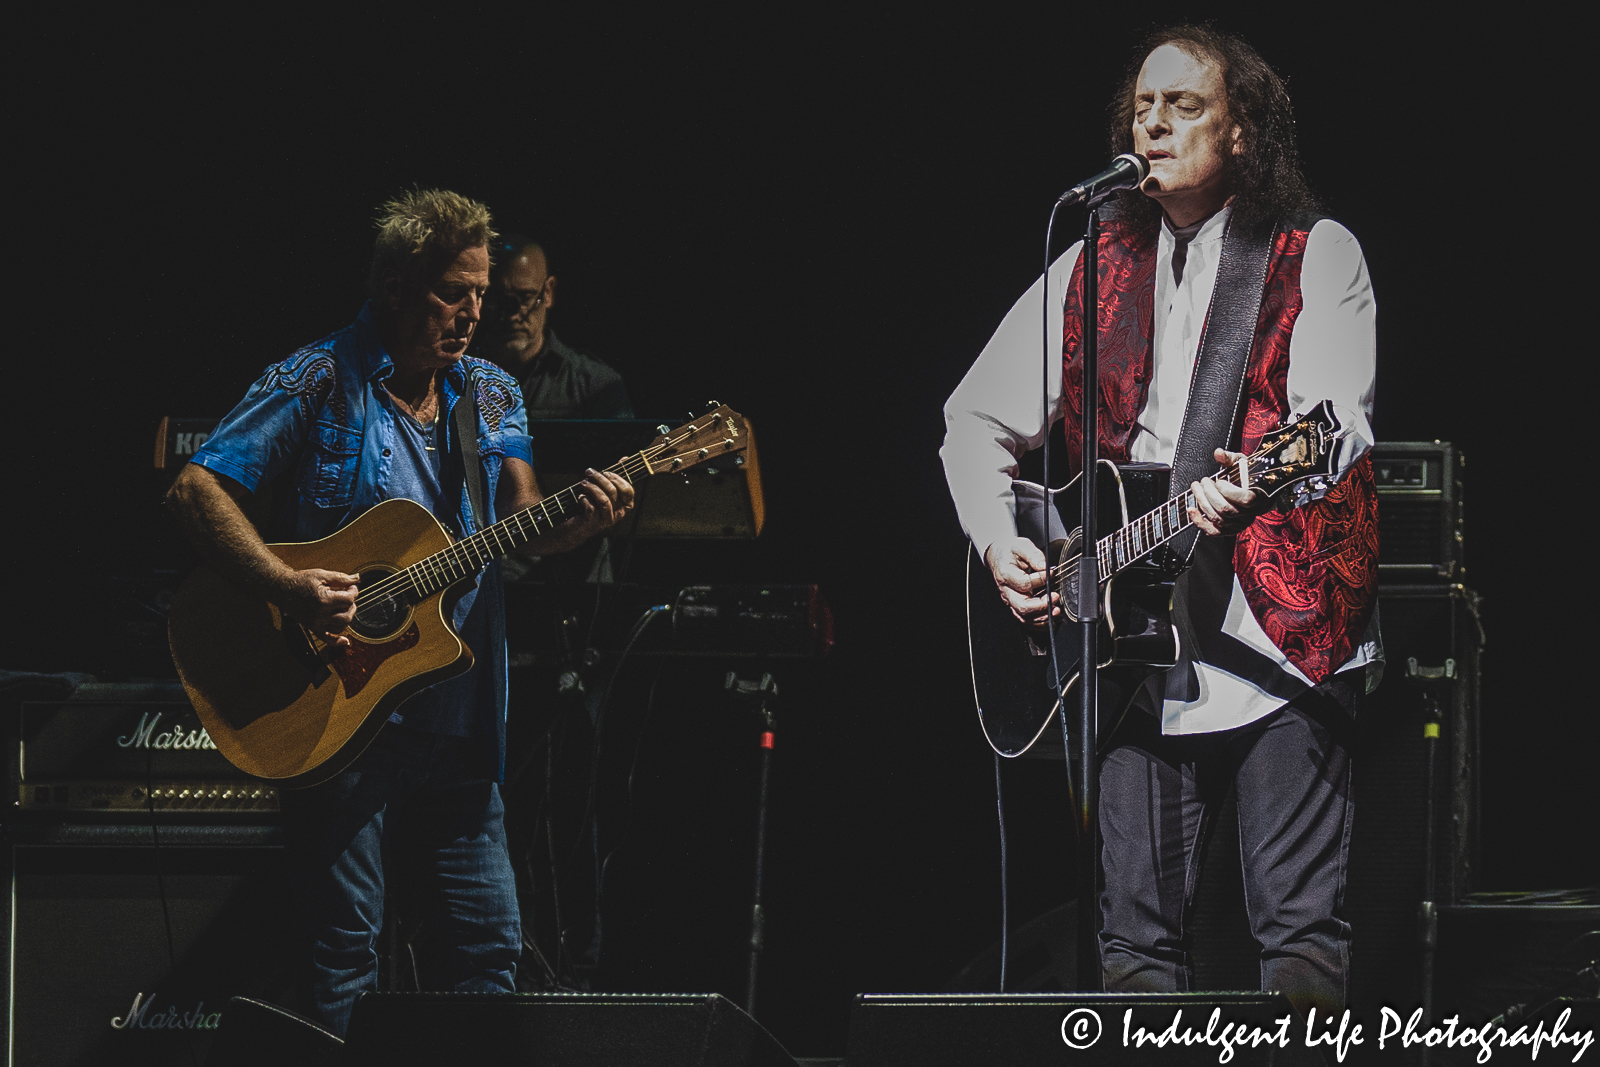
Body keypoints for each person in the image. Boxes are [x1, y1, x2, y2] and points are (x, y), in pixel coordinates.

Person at [941, 25, 1379, 1016]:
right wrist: (999, 537)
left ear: (1243, 131)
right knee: (1132, 944)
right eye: (1143, 104)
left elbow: (1337, 420)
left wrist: (1260, 479)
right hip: (1131, 654)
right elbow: (969, 419)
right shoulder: (1092, 264)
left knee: (1297, 938)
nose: (1153, 120)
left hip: (1280, 636)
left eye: (1183, 105)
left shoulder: (1315, 253)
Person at [166, 189, 634, 1034]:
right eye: (453, 292)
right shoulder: (318, 377)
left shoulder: (488, 392)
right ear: (392, 285)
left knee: (489, 953)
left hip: (456, 729)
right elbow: (197, 487)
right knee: (345, 951)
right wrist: (286, 584)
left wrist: (577, 518)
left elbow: (519, 520)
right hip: (338, 713)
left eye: (483, 292)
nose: (473, 312)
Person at [478, 233, 634, 419]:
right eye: (498, 299)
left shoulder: (594, 385)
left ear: (548, 292)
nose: (512, 315)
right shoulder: (455, 375)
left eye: (525, 298)